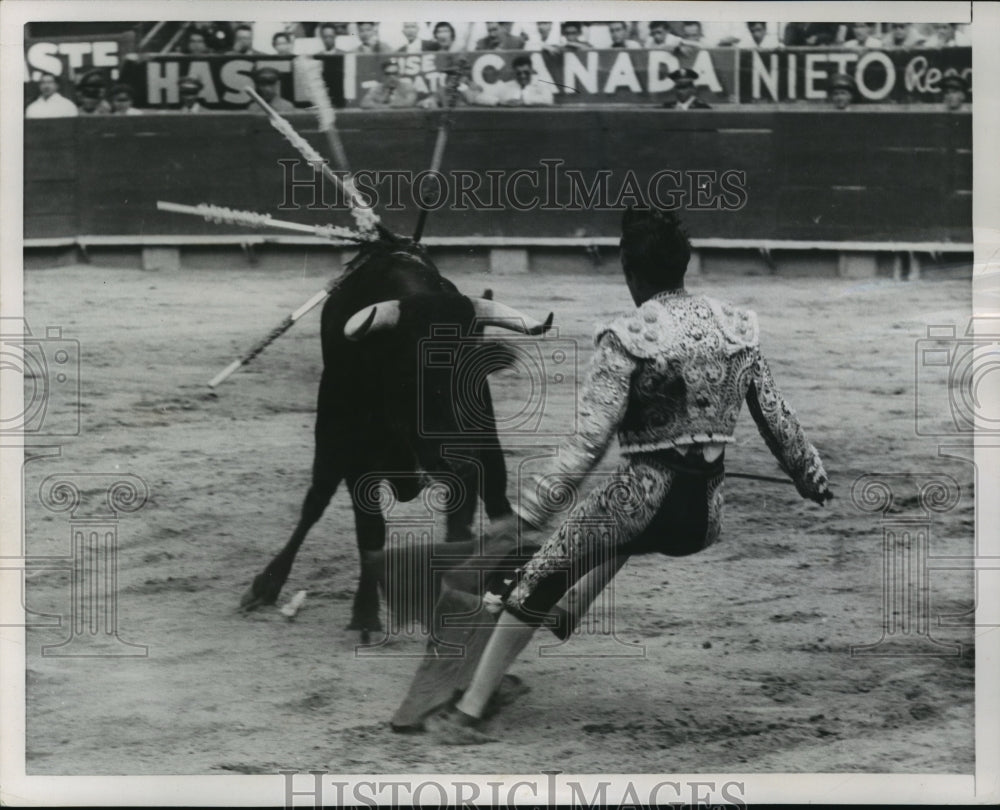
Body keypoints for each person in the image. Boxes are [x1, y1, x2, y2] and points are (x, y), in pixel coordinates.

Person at [422, 207, 832, 743]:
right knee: (614, 532)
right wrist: (810, 474)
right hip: (706, 514)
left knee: (540, 575)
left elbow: (589, 441)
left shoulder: (627, 336)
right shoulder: (737, 327)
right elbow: (776, 417)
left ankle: (469, 712)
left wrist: (530, 512)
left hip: (645, 498)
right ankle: (572, 607)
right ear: (683, 265)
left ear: (629, 272)